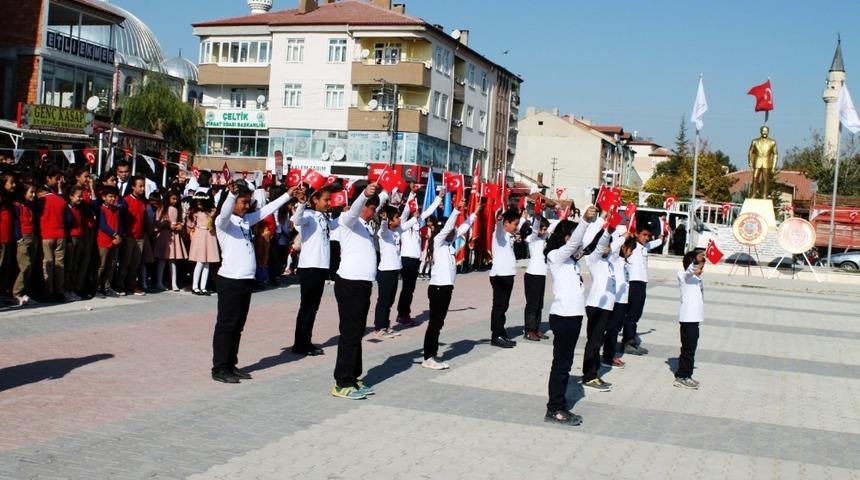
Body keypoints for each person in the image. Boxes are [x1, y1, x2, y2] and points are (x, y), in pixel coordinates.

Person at [211, 182, 294, 383]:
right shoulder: (224, 222)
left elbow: (266, 210)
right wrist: (231, 195)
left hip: (245, 282)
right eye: (243, 202)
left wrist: (287, 195)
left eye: (249, 202)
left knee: (238, 326)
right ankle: (220, 368)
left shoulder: (245, 221)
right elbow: (223, 214)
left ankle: (231, 364)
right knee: (226, 326)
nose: (247, 206)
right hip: (230, 280)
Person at [543, 206, 598, 425]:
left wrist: (604, 222)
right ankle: (554, 408)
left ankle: (559, 405)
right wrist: (584, 220)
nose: (578, 244)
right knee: (561, 364)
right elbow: (575, 243)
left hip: (573, 317)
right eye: (573, 236)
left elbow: (590, 244)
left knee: (565, 363)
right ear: (565, 237)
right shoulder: (555, 256)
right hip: (563, 316)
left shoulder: (572, 262)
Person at [331, 182, 380, 400]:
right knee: (350, 333)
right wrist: (363, 194)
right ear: (362, 206)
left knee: (357, 332)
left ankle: (353, 376)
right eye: (372, 208)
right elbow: (354, 210)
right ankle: (342, 382)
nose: (374, 212)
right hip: (349, 284)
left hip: (362, 284)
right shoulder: (348, 221)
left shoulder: (366, 226)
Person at [422, 198, 477, 370]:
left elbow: (463, 228)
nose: (454, 231)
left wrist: (475, 213)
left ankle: (432, 354)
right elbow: (448, 228)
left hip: (446, 288)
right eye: (451, 229)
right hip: (438, 288)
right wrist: (456, 210)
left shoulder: (449, 244)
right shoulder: (438, 242)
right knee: (435, 323)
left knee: (439, 322)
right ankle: (428, 357)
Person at [290, 185, 336, 356]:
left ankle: (306, 340)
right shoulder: (308, 215)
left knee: (313, 307)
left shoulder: (325, 218)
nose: (328, 203)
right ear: (315, 200)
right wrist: (302, 203)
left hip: (321, 267)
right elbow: (296, 220)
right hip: (309, 267)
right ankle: (300, 343)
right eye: (326, 199)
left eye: (329, 199)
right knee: (307, 306)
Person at [581, 213, 624, 391]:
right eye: (606, 244)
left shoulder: (609, 261)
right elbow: (600, 246)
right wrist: (608, 230)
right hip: (596, 306)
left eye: (609, 245)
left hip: (607, 307)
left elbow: (616, 245)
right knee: (594, 341)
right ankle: (589, 375)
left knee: (597, 341)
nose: (608, 248)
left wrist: (621, 230)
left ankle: (594, 372)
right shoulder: (593, 259)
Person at [396, 185, 442, 326]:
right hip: (406, 259)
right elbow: (405, 212)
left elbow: (429, 211)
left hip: (415, 259)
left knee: (410, 289)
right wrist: (412, 194)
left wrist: (439, 197)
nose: (417, 210)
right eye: (414, 208)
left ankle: (405, 313)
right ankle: (402, 314)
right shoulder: (404, 223)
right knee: (406, 289)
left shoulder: (418, 221)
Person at [622, 224, 663, 355]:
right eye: (644, 235)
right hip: (633, 283)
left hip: (642, 283)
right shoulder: (631, 245)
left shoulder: (644, 247)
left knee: (636, 314)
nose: (646, 238)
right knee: (632, 314)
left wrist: (661, 238)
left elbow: (654, 244)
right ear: (636, 234)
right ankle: (628, 342)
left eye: (648, 236)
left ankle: (631, 340)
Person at [601, 229, 637, 369]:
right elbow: (614, 246)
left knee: (615, 329)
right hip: (615, 301)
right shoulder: (614, 258)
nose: (631, 253)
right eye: (630, 250)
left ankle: (610, 354)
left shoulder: (624, 262)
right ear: (623, 248)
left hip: (623, 301)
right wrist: (623, 237)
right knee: (612, 330)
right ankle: (607, 357)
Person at [522, 211, 559, 341]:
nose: (543, 231)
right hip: (532, 275)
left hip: (541, 275)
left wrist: (564, 215)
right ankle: (529, 330)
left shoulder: (545, 238)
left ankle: (536, 329)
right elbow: (536, 227)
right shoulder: (533, 238)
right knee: (532, 304)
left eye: (545, 229)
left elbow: (555, 226)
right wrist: (537, 217)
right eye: (542, 229)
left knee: (539, 304)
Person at [489, 208, 521, 348]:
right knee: (499, 307)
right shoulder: (499, 233)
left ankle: (501, 332)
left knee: (504, 306)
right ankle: (496, 336)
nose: (516, 227)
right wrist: (499, 219)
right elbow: (498, 227)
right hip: (500, 276)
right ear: (506, 223)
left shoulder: (508, 236)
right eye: (514, 224)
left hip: (508, 275)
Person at [374, 203, 406, 338]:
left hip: (394, 271)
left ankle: (386, 325)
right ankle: (379, 327)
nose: (399, 220)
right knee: (384, 300)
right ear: (390, 220)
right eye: (397, 217)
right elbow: (383, 228)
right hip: (385, 272)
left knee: (390, 300)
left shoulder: (397, 232)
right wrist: (385, 220)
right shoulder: (383, 233)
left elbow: (410, 221)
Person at [674, 250, 705, 389]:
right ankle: (683, 376)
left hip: (695, 319)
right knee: (687, 349)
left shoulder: (698, 280)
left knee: (691, 347)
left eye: (702, 267)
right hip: (687, 319)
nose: (701, 269)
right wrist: (695, 262)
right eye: (700, 266)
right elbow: (688, 272)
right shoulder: (684, 276)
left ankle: (685, 374)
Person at [38, 184, 67, 302]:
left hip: (46, 235)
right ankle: (59, 291)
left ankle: (49, 291)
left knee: (48, 263)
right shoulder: (61, 200)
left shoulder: (41, 201)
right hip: (60, 234)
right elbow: (68, 217)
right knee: (60, 264)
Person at [118, 175, 147, 296]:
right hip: (129, 236)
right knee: (125, 263)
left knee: (135, 264)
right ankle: (120, 285)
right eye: (140, 186)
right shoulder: (126, 200)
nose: (142, 189)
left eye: (143, 186)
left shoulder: (142, 201)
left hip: (140, 236)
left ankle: (131, 286)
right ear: (133, 186)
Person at [155, 189, 187, 292]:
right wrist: (166, 224)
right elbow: (158, 222)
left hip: (174, 235)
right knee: (163, 259)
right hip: (165, 236)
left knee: (172, 260)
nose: (175, 201)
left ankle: (174, 282)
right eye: (173, 198)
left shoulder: (178, 209)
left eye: (177, 199)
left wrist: (180, 226)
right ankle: (159, 282)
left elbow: (181, 221)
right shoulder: (162, 208)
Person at [187, 192, 219, 295]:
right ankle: (195, 286)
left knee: (207, 262)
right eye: (197, 202)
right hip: (200, 235)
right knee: (200, 261)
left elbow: (216, 220)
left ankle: (203, 286)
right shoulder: (194, 212)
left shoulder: (212, 211)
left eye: (201, 202)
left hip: (209, 235)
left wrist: (211, 215)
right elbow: (190, 225)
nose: (199, 204)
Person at [12, 182, 37, 306]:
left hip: (32, 237)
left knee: (30, 266)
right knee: (25, 265)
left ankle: (24, 292)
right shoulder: (17, 206)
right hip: (23, 238)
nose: (33, 194)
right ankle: (16, 293)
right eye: (31, 192)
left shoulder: (30, 206)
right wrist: (19, 238)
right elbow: (16, 223)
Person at [97, 186, 123, 297]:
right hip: (104, 241)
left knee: (111, 265)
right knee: (101, 265)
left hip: (115, 242)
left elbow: (119, 224)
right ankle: (97, 288)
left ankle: (107, 287)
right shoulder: (102, 209)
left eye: (114, 196)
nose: (112, 199)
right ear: (104, 197)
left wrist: (118, 236)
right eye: (110, 196)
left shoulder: (116, 210)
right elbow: (103, 225)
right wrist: (114, 235)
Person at [63, 185, 85, 301]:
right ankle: (66, 290)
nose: (81, 199)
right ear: (71, 196)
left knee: (75, 266)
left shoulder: (78, 209)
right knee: (69, 266)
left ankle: (72, 289)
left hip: (79, 238)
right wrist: (68, 241)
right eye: (78, 196)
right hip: (71, 238)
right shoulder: (67, 208)